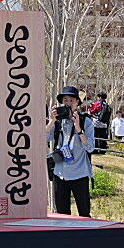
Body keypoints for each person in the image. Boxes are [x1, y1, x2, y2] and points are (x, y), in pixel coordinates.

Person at [46, 87, 96, 217]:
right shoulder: (57, 122)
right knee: (62, 214)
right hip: (60, 173)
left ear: (77, 102)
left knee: (84, 213)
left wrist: (78, 129)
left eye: (71, 100)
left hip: (79, 173)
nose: (68, 103)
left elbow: (90, 147)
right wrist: (51, 121)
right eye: (65, 100)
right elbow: (43, 138)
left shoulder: (86, 121)